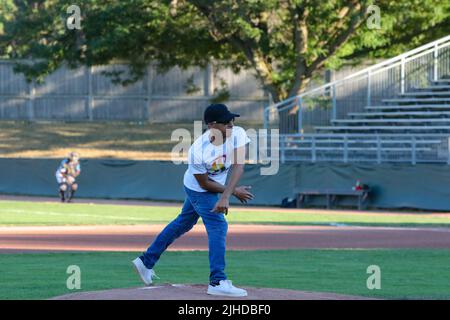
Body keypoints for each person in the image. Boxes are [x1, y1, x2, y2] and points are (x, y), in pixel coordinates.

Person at [132, 103, 254, 297]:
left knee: (183, 223)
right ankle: (217, 281)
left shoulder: (237, 133)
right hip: (198, 189)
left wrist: (227, 194)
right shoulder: (198, 150)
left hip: (215, 188)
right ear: (213, 125)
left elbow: (239, 166)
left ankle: (146, 261)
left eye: (233, 120)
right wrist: (229, 194)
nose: (231, 124)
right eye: (226, 122)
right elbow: (204, 184)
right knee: (218, 226)